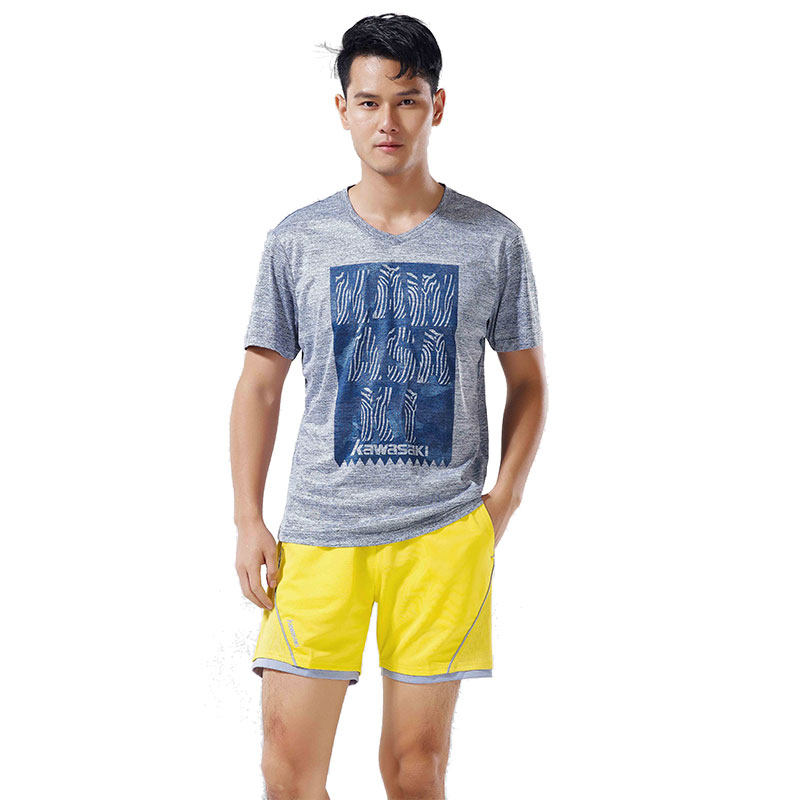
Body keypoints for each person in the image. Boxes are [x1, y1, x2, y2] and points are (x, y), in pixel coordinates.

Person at [230, 12, 548, 799]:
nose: (388, 122)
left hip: (442, 532)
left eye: (406, 101)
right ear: (342, 109)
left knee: (414, 769)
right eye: (369, 102)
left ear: (437, 106)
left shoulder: (492, 239)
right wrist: (247, 519)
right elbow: (260, 384)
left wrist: (503, 500)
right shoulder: (298, 240)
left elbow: (529, 381)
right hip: (320, 528)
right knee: (286, 767)